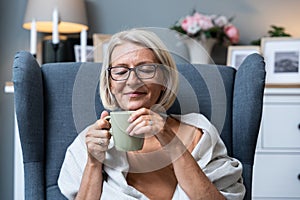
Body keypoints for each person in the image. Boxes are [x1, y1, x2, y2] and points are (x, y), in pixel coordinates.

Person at [58, 29, 245, 200]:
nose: (133, 81)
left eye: (146, 70)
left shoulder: (198, 133)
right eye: (121, 71)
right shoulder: (89, 141)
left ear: (164, 79)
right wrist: (93, 162)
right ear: (110, 83)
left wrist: (171, 141)